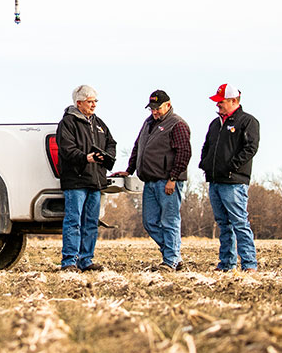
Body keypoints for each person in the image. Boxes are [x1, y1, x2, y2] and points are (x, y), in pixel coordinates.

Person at [124, 90, 191, 271]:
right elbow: (138, 146)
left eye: (158, 108)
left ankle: (170, 260)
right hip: (150, 181)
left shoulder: (177, 124)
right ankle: (174, 255)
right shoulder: (148, 123)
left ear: (168, 105)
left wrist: (173, 178)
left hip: (167, 182)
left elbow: (184, 153)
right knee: (150, 222)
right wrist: (129, 169)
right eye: (152, 108)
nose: (154, 112)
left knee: (169, 221)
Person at [199, 83, 260, 272]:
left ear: (234, 101)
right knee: (223, 225)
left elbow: (250, 148)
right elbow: (207, 146)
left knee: (239, 223)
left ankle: (249, 264)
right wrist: (205, 164)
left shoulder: (247, 122)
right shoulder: (215, 124)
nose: (218, 105)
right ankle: (226, 263)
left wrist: (231, 166)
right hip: (215, 181)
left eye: (221, 102)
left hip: (234, 182)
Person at [57, 84, 116, 272]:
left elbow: (111, 143)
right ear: (79, 102)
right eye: (90, 102)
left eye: (95, 101)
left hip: (96, 181)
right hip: (75, 181)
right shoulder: (68, 123)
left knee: (91, 223)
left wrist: (106, 157)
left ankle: (86, 260)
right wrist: (85, 158)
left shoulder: (99, 124)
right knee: (73, 221)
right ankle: (69, 262)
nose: (94, 105)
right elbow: (66, 149)